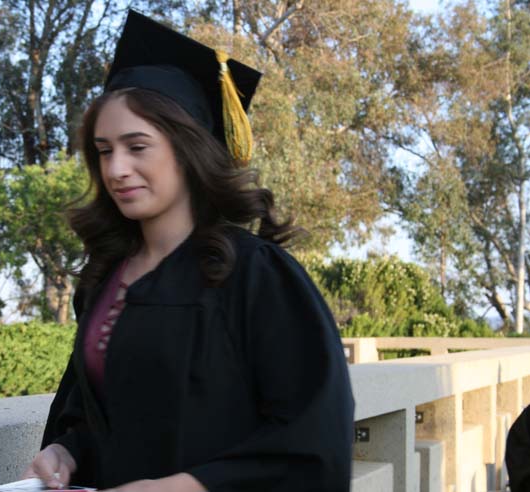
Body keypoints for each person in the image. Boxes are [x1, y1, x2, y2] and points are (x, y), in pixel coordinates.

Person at [22, 10, 354, 492]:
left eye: (137, 147)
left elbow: (313, 438)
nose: (116, 169)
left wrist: (183, 487)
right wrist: (66, 450)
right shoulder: (105, 281)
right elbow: (110, 420)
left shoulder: (254, 275)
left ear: (187, 148)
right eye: (104, 149)